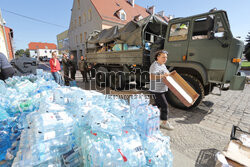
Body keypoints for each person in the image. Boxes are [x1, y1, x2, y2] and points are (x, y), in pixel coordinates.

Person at [149, 50, 174, 130]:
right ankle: (164, 123)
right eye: (163, 57)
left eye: (166, 57)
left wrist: (171, 74)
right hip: (156, 89)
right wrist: (163, 75)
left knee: (157, 105)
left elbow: (166, 74)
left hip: (161, 88)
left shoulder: (163, 65)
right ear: (157, 57)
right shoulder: (155, 65)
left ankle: (145, 111)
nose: (165, 59)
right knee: (165, 105)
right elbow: (151, 77)